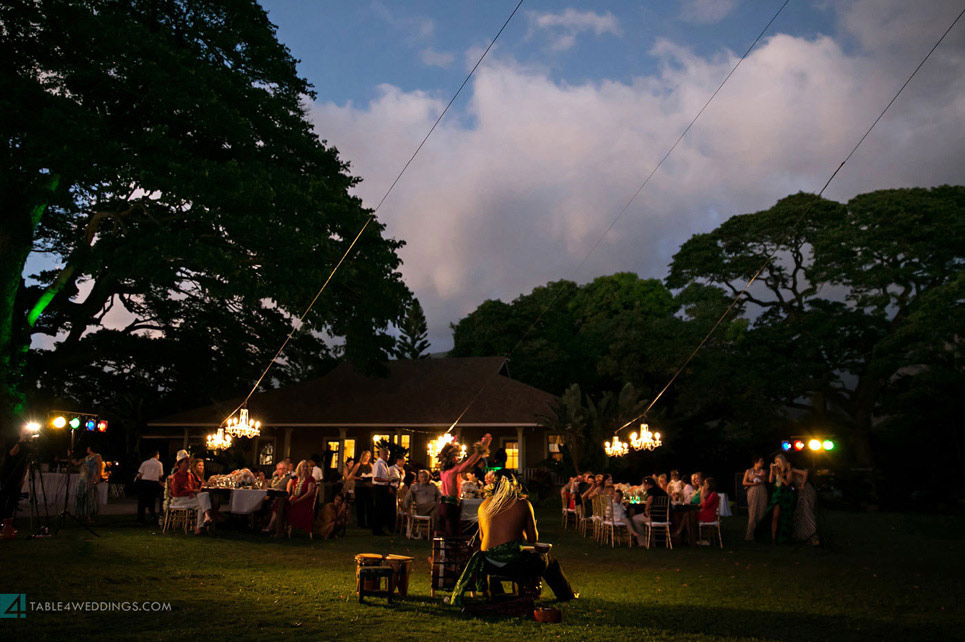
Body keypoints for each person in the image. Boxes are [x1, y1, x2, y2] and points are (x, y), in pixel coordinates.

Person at [448, 472, 576, 606]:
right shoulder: (522, 504)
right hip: (513, 564)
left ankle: (497, 592)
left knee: (513, 557)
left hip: (488, 563)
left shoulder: (484, 505)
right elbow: (532, 539)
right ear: (514, 486)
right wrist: (530, 526)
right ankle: (565, 595)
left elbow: (482, 537)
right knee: (550, 561)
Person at [437, 434, 492, 537]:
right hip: (451, 505)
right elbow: (470, 462)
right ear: (452, 458)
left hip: (442, 505)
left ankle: (443, 551)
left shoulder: (442, 470)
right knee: (452, 532)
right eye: (455, 456)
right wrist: (482, 447)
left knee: (444, 531)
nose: (457, 458)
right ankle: (451, 551)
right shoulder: (454, 470)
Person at [169, 451, 215, 534]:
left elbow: (195, 488)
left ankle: (200, 526)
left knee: (204, 498)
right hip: (179, 499)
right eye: (186, 462)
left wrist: (193, 493)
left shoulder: (190, 475)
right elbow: (176, 493)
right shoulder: (175, 476)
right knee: (203, 501)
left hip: (189, 498)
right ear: (180, 464)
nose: (188, 464)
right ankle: (203, 521)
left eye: (189, 462)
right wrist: (191, 492)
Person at [0, 425, 31, 540]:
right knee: (3, 496)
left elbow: (27, 462)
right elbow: (12, 453)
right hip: (8, 473)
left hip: (18, 475)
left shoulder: (28, 444)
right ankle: (2, 520)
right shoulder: (12, 439)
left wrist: (23, 478)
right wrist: (20, 440)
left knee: (14, 498)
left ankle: (9, 521)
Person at [273, 460, 316, 538]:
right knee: (280, 502)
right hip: (295, 501)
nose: (305, 468)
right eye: (303, 466)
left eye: (307, 466)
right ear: (299, 468)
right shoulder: (296, 479)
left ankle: (278, 530)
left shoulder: (310, 479)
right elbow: (293, 490)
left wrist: (297, 501)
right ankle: (278, 530)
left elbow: (310, 493)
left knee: (281, 506)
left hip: (304, 503)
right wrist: (292, 497)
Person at [756, 454, 794, 544]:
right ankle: (773, 537)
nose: (777, 463)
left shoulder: (788, 472)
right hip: (776, 495)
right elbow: (770, 480)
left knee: (784, 516)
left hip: (785, 495)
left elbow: (787, 483)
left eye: (778, 461)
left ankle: (784, 537)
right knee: (775, 516)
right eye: (775, 461)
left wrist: (779, 475)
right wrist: (772, 470)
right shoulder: (776, 471)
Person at [630, 477, 668, 546]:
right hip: (665, 517)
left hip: (654, 517)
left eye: (644, 485)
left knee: (635, 519)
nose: (644, 487)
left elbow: (650, 498)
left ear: (647, 485)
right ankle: (650, 541)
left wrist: (646, 510)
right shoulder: (660, 490)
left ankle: (642, 542)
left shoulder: (651, 490)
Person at [72, 444, 105, 522]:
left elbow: (100, 467)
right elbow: (77, 463)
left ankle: (89, 515)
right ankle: (80, 514)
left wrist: (98, 476)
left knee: (89, 497)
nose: (86, 449)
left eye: (88, 448)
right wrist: (71, 456)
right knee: (80, 496)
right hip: (83, 479)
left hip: (90, 479)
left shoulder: (97, 456)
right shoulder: (86, 458)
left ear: (90, 448)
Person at [792, 465, 819, 545]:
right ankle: (804, 536)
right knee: (801, 514)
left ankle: (813, 536)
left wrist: (802, 485)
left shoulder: (796, 469)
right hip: (801, 493)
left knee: (807, 512)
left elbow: (805, 473)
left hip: (806, 492)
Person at [743, 456, 768, 541]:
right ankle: (750, 535)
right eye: (761, 461)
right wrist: (752, 483)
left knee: (761, 511)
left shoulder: (763, 471)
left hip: (762, 490)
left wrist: (761, 477)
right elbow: (744, 482)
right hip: (753, 490)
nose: (762, 463)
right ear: (756, 462)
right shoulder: (749, 471)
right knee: (753, 511)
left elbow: (766, 480)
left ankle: (760, 534)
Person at [135, 450, 164, 524]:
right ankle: (152, 515)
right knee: (152, 500)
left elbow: (141, 473)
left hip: (144, 482)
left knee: (142, 501)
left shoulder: (145, 463)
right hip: (154, 483)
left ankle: (140, 517)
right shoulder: (159, 464)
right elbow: (160, 475)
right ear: (156, 455)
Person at [371, 447, 392, 535]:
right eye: (388, 455)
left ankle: (381, 527)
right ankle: (377, 529)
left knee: (383, 508)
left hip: (384, 487)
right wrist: (387, 481)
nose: (389, 456)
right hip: (379, 487)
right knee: (379, 508)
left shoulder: (384, 464)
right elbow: (376, 478)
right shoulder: (378, 464)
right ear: (384, 454)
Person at [354, 450, 373, 529]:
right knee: (360, 505)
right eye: (366, 456)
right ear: (363, 456)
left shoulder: (371, 465)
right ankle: (361, 523)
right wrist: (358, 478)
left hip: (368, 486)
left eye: (369, 456)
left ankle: (370, 523)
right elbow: (352, 475)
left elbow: (373, 473)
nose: (367, 458)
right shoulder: (358, 465)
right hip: (360, 486)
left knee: (369, 505)